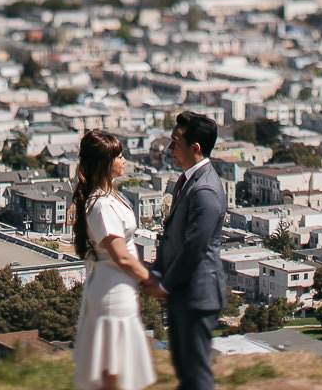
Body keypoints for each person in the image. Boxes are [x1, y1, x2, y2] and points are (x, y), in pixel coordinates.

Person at [146, 111, 226, 390]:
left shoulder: (205, 191)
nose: (169, 149)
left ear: (195, 148)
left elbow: (194, 248)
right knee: (187, 373)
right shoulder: (188, 181)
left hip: (198, 293)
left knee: (196, 376)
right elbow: (175, 239)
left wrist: (165, 284)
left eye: (175, 142)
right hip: (186, 292)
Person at [72, 130, 156, 390]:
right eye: (118, 156)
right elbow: (121, 256)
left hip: (119, 290)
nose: (124, 160)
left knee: (115, 369)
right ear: (103, 162)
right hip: (111, 294)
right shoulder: (101, 205)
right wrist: (152, 281)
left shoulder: (111, 195)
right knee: (111, 370)